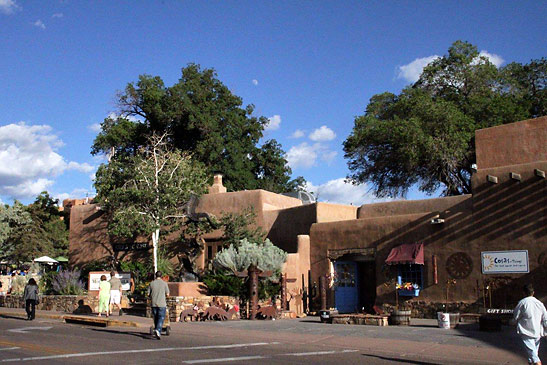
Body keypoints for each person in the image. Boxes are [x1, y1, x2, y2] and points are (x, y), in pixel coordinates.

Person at [513, 284, 547, 365]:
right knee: (533, 353)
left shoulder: (522, 303)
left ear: (524, 293)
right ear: (533, 292)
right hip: (538, 332)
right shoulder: (540, 304)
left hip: (526, 331)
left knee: (533, 355)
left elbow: (516, 316)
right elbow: (545, 318)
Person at [147, 271, 169, 340]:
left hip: (154, 303)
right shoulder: (164, 284)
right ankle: (158, 330)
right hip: (162, 303)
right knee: (161, 317)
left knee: (156, 317)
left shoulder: (151, 283)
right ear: (161, 276)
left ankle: (156, 329)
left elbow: (148, 294)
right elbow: (167, 294)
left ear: (155, 276)